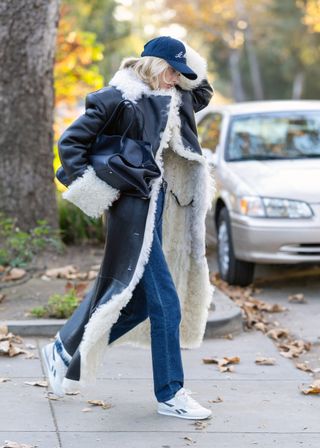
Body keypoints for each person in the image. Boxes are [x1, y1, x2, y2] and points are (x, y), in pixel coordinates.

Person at [42, 36, 216, 420]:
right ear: (154, 65)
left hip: (160, 209)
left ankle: (69, 349)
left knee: (137, 303)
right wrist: (96, 190)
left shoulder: (177, 97)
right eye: (171, 70)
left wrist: (186, 61)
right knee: (166, 302)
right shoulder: (118, 97)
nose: (176, 79)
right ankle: (171, 394)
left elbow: (203, 88)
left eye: (179, 73)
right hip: (131, 209)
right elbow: (70, 143)